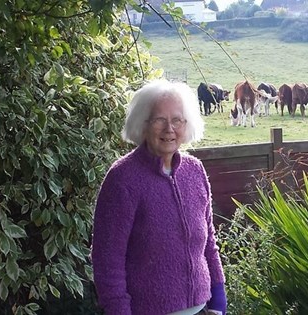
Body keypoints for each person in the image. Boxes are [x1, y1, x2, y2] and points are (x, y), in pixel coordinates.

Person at [91, 79, 227, 315]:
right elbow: (107, 260)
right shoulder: (122, 179)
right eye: (159, 120)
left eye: (177, 120)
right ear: (143, 124)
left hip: (203, 310)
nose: (169, 129)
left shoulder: (195, 171)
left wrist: (219, 298)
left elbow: (209, 244)